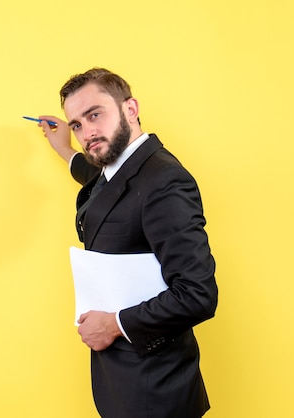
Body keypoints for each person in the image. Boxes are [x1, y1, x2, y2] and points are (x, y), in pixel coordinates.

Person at [36, 68, 218, 418]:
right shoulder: (120, 168)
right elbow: (102, 184)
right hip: (124, 384)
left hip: (155, 390)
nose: (86, 132)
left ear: (130, 108)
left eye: (95, 115)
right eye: (76, 124)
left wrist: (113, 324)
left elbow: (198, 294)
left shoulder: (165, 181)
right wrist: (65, 151)